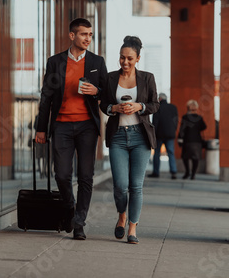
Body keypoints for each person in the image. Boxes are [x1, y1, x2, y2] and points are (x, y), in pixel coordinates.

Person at [35, 18, 108, 240]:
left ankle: (79, 222)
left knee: (86, 176)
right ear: (72, 36)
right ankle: (71, 207)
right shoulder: (55, 62)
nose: (88, 38)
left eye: (90, 34)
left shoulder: (97, 61)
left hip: (87, 126)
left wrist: (96, 91)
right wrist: (41, 128)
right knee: (62, 175)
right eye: (84, 34)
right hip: (62, 126)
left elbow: (107, 94)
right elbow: (46, 96)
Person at [100, 36, 159, 244]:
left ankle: (133, 226)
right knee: (120, 185)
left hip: (140, 136)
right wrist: (113, 108)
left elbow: (155, 105)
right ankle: (121, 215)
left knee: (136, 185)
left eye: (130, 59)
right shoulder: (109, 78)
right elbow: (103, 104)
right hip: (117, 136)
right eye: (122, 58)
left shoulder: (147, 78)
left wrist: (139, 107)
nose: (125, 62)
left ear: (138, 58)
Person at [148, 93, 179, 179]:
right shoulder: (173, 107)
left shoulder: (157, 108)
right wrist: (173, 130)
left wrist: (153, 134)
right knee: (171, 153)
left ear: (160, 99)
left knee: (157, 153)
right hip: (170, 134)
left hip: (159, 135)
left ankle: (156, 172)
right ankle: (173, 172)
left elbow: (155, 122)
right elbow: (176, 121)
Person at [177, 100, 207, 180]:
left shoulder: (185, 117)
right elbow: (204, 127)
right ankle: (193, 174)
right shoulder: (199, 117)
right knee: (195, 158)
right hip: (197, 141)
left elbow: (182, 130)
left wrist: (179, 139)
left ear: (188, 108)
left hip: (187, 140)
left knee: (185, 157)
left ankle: (187, 172)